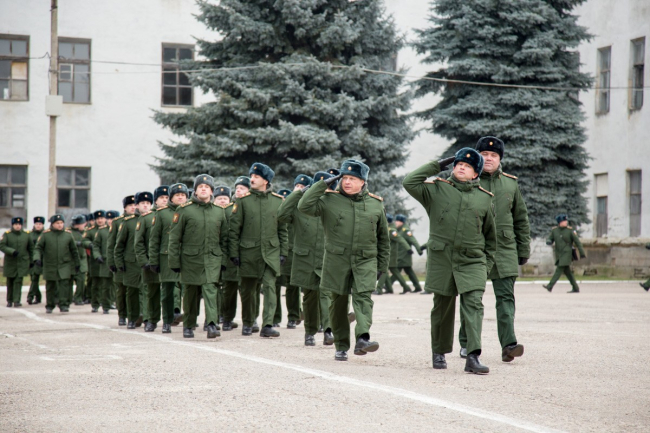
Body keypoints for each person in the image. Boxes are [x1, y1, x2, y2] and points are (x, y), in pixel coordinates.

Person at [403, 148, 496, 374]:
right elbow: (409, 182)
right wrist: (438, 164)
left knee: (474, 306)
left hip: (472, 261)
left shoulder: (485, 199)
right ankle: (439, 351)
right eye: (458, 164)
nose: (461, 167)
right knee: (442, 308)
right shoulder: (436, 190)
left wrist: (485, 267)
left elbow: (491, 238)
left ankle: (472, 356)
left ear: (476, 174)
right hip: (442, 259)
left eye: (468, 166)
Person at [298, 159, 390, 361]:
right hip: (336, 260)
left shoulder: (375, 204)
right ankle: (341, 345)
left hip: (365, 260)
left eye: (352, 178)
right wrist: (323, 184)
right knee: (338, 303)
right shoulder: (328, 200)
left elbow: (383, 238)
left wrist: (382, 266)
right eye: (344, 178)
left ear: (363, 182)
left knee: (363, 298)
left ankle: (363, 338)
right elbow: (304, 206)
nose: (347, 182)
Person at [458, 136, 531, 363]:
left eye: (494, 155)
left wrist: (523, 248)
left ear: (500, 159)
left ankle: (509, 345)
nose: (489, 158)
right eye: (484, 154)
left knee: (506, 298)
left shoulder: (510, 184)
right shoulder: (466, 180)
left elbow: (521, 218)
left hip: (504, 249)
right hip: (475, 249)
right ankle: (467, 343)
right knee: (472, 298)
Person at [228, 163, 288, 338]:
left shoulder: (278, 201)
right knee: (248, 291)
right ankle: (248, 322)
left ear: (266, 181)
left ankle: (267, 325)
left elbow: (282, 230)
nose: (252, 179)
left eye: (256, 177)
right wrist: (234, 253)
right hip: (248, 253)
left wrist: (283, 252)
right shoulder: (242, 201)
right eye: (251, 176)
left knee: (270, 288)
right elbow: (234, 230)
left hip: (270, 254)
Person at [279, 172, 336, 346]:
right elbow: (282, 215)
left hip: (328, 257)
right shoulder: (300, 207)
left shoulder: (335, 207)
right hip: (306, 259)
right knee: (310, 297)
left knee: (326, 294)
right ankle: (310, 331)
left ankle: (328, 330)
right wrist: (298, 193)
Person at [169, 174, 228, 339]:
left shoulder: (219, 212)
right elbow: (174, 238)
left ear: (211, 191)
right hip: (190, 260)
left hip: (212, 259)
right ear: (195, 191)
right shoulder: (184, 210)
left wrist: (223, 260)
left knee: (211, 289)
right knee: (190, 293)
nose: (203, 189)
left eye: (207, 187)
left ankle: (211, 324)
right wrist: (174, 262)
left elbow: (224, 239)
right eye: (200, 187)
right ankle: (188, 325)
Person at [149, 183, 188, 333]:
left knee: (189, 290)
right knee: (167, 292)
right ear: (171, 197)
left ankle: (189, 320)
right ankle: (167, 320)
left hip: (187, 256)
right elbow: (154, 239)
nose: (180, 197)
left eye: (183, 195)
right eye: (177, 195)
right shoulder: (162, 214)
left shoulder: (190, 211)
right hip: (166, 258)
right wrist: (154, 261)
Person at [115, 192, 152, 329]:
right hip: (131, 263)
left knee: (147, 291)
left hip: (148, 261)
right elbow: (119, 245)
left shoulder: (153, 220)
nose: (145, 206)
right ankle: (132, 318)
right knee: (132, 292)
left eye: (148, 203)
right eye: (142, 203)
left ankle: (147, 318)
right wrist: (119, 263)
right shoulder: (128, 222)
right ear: (137, 205)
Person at [135, 185, 169, 332]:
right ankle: (151, 320)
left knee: (169, 292)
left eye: (167, 197)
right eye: (162, 198)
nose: (165, 200)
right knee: (151, 293)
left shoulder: (174, 215)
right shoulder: (147, 218)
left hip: (168, 261)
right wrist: (144, 261)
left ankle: (168, 321)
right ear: (156, 200)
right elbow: (139, 243)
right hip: (151, 262)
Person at [33, 214, 80, 313]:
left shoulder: (68, 235)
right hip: (50, 264)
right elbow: (38, 248)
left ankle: (63, 304)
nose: (60, 225)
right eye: (57, 223)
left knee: (64, 285)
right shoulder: (46, 235)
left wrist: (77, 263)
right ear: (52, 224)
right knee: (50, 286)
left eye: (61, 223)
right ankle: (50, 305)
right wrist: (37, 258)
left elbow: (74, 250)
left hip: (64, 264)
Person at [221, 177, 250, 331]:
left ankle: (250, 321)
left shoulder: (253, 208)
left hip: (248, 255)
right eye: (237, 188)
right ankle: (227, 319)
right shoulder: (227, 209)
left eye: (242, 188)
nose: (238, 190)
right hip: (230, 257)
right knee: (229, 290)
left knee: (249, 291)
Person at [274, 187, 301, 328]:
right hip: (275, 252)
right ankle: (274, 318)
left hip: (291, 254)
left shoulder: (296, 212)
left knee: (292, 287)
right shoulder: (275, 212)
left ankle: (294, 317)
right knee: (275, 286)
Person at [108, 196, 135, 326]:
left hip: (134, 262)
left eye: (135, 205)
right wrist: (112, 262)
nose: (133, 207)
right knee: (121, 290)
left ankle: (134, 315)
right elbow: (111, 244)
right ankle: (122, 315)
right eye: (130, 205)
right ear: (125, 208)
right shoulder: (117, 222)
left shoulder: (140, 220)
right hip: (121, 261)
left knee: (133, 290)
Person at [543, 214, 586, 293]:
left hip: (567, 253)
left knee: (559, 269)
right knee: (568, 272)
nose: (566, 222)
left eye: (566, 221)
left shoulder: (570, 231)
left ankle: (550, 286)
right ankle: (575, 288)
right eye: (564, 221)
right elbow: (550, 238)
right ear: (560, 222)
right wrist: (549, 241)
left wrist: (582, 252)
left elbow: (577, 242)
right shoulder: (555, 231)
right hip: (559, 254)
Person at [1, 217, 33, 307]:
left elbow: (31, 248)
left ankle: (16, 300)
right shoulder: (7, 234)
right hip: (10, 262)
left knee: (18, 281)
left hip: (22, 262)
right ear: (12, 225)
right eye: (16, 224)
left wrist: (31, 261)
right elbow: (2, 246)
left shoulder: (26, 235)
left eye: (19, 224)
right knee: (10, 282)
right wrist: (11, 251)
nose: (18, 226)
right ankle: (9, 300)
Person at [392, 214, 424, 293]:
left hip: (404, 255)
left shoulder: (405, 230)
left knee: (395, 270)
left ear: (402, 222)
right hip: (400, 255)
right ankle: (417, 287)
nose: (396, 222)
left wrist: (419, 250)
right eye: (396, 220)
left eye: (398, 221)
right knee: (409, 271)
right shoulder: (398, 230)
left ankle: (388, 284)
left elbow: (413, 240)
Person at [91, 211, 112, 314]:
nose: (111, 221)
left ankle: (115, 303)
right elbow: (96, 246)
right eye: (109, 219)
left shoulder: (120, 229)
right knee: (105, 286)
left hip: (118, 262)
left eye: (113, 219)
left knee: (117, 286)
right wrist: (97, 256)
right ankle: (105, 306)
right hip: (105, 262)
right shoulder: (102, 231)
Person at [69, 214, 91, 306]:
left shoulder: (86, 232)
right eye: (83, 224)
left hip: (82, 260)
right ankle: (68, 298)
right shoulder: (69, 233)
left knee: (81, 280)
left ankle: (78, 298)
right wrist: (76, 243)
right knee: (69, 281)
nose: (85, 225)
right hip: (72, 260)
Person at [26, 216, 45, 305]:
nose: (38, 226)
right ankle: (34, 296)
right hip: (33, 260)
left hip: (44, 260)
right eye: (37, 224)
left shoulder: (45, 234)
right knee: (34, 279)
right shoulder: (30, 235)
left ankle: (32, 296)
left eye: (40, 224)